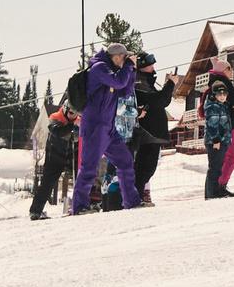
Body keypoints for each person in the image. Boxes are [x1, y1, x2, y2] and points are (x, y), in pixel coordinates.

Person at [71, 43, 143, 214]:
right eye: (125, 57)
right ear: (116, 57)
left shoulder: (113, 72)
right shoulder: (99, 68)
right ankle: (79, 207)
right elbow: (118, 83)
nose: (126, 60)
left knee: (125, 162)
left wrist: (131, 71)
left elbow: (124, 91)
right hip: (95, 125)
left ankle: (132, 202)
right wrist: (127, 67)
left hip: (108, 127)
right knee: (89, 167)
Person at [131, 53, 172, 205]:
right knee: (143, 167)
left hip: (153, 133)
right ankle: (135, 197)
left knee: (148, 167)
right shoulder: (139, 82)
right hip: (147, 132)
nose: (153, 67)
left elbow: (164, 102)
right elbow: (157, 101)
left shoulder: (147, 81)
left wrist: (169, 85)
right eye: (150, 64)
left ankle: (137, 196)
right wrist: (170, 85)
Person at [198, 59, 234, 198]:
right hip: (217, 139)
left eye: (225, 94)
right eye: (229, 68)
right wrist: (216, 138)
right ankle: (212, 193)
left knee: (218, 164)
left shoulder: (218, 91)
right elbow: (212, 121)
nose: (231, 71)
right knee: (216, 166)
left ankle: (216, 191)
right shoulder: (218, 88)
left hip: (223, 137)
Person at [27, 102, 75, 221]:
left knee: (82, 178)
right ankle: (36, 210)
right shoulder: (55, 118)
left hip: (71, 156)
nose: (73, 116)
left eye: (76, 114)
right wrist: (73, 126)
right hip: (54, 157)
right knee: (47, 184)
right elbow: (57, 131)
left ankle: (85, 203)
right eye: (71, 113)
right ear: (65, 111)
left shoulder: (78, 120)